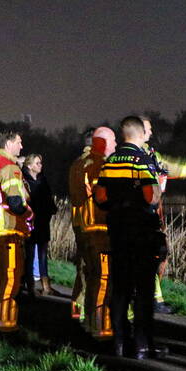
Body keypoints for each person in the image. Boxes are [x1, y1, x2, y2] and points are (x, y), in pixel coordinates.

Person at [94, 116, 166, 359]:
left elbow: (100, 196)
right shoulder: (143, 160)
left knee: (121, 289)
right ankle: (143, 346)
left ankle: (120, 343)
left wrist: (117, 205)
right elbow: (152, 196)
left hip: (117, 231)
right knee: (144, 291)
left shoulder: (110, 161)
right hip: (142, 232)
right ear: (138, 134)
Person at [139, 115, 186, 313]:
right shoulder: (138, 156)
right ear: (139, 131)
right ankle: (153, 301)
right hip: (144, 215)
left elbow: (169, 166)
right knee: (151, 256)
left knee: (160, 256)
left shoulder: (151, 154)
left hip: (154, 214)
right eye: (148, 129)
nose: (152, 132)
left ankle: (151, 298)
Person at [0, 131, 32, 332]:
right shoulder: (9, 168)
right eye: (19, 142)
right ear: (9, 143)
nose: (22, 146)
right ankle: (6, 322)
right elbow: (16, 203)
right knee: (11, 276)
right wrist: (28, 212)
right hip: (9, 229)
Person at [78, 127, 117, 340]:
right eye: (112, 142)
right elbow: (105, 198)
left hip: (87, 227)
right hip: (101, 228)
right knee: (104, 279)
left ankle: (92, 322)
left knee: (94, 278)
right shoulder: (100, 166)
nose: (116, 146)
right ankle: (102, 326)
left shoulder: (80, 164)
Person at [67, 128, 94, 322]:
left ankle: (77, 309)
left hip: (79, 221)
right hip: (92, 223)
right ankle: (86, 312)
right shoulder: (92, 164)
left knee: (82, 268)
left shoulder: (76, 163)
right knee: (90, 270)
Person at [22, 153, 57, 297]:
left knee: (42, 254)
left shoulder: (43, 180)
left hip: (43, 220)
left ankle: (45, 285)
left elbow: (48, 198)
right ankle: (30, 285)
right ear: (29, 165)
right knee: (29, 254)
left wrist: (51, 209)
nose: (40, 166)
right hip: (30, 220)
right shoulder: (24, 180)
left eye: (40, 163)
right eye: (37, 163)